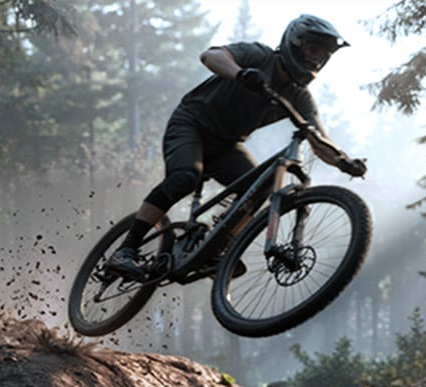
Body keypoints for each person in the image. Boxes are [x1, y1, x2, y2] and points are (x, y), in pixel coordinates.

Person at [107, 14, 367, 280]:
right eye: (313, 50)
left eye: (323, 56)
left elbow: (318, 140)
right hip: (192, 123)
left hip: (227, 145)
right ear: (295, 43)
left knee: (258, 187)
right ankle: (125, 250)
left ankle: (218, 245)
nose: (316, 59)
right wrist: (240, 73)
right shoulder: (260, 56)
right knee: (184, 177)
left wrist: (343, 161)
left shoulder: (300, 96)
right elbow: (211, 56)